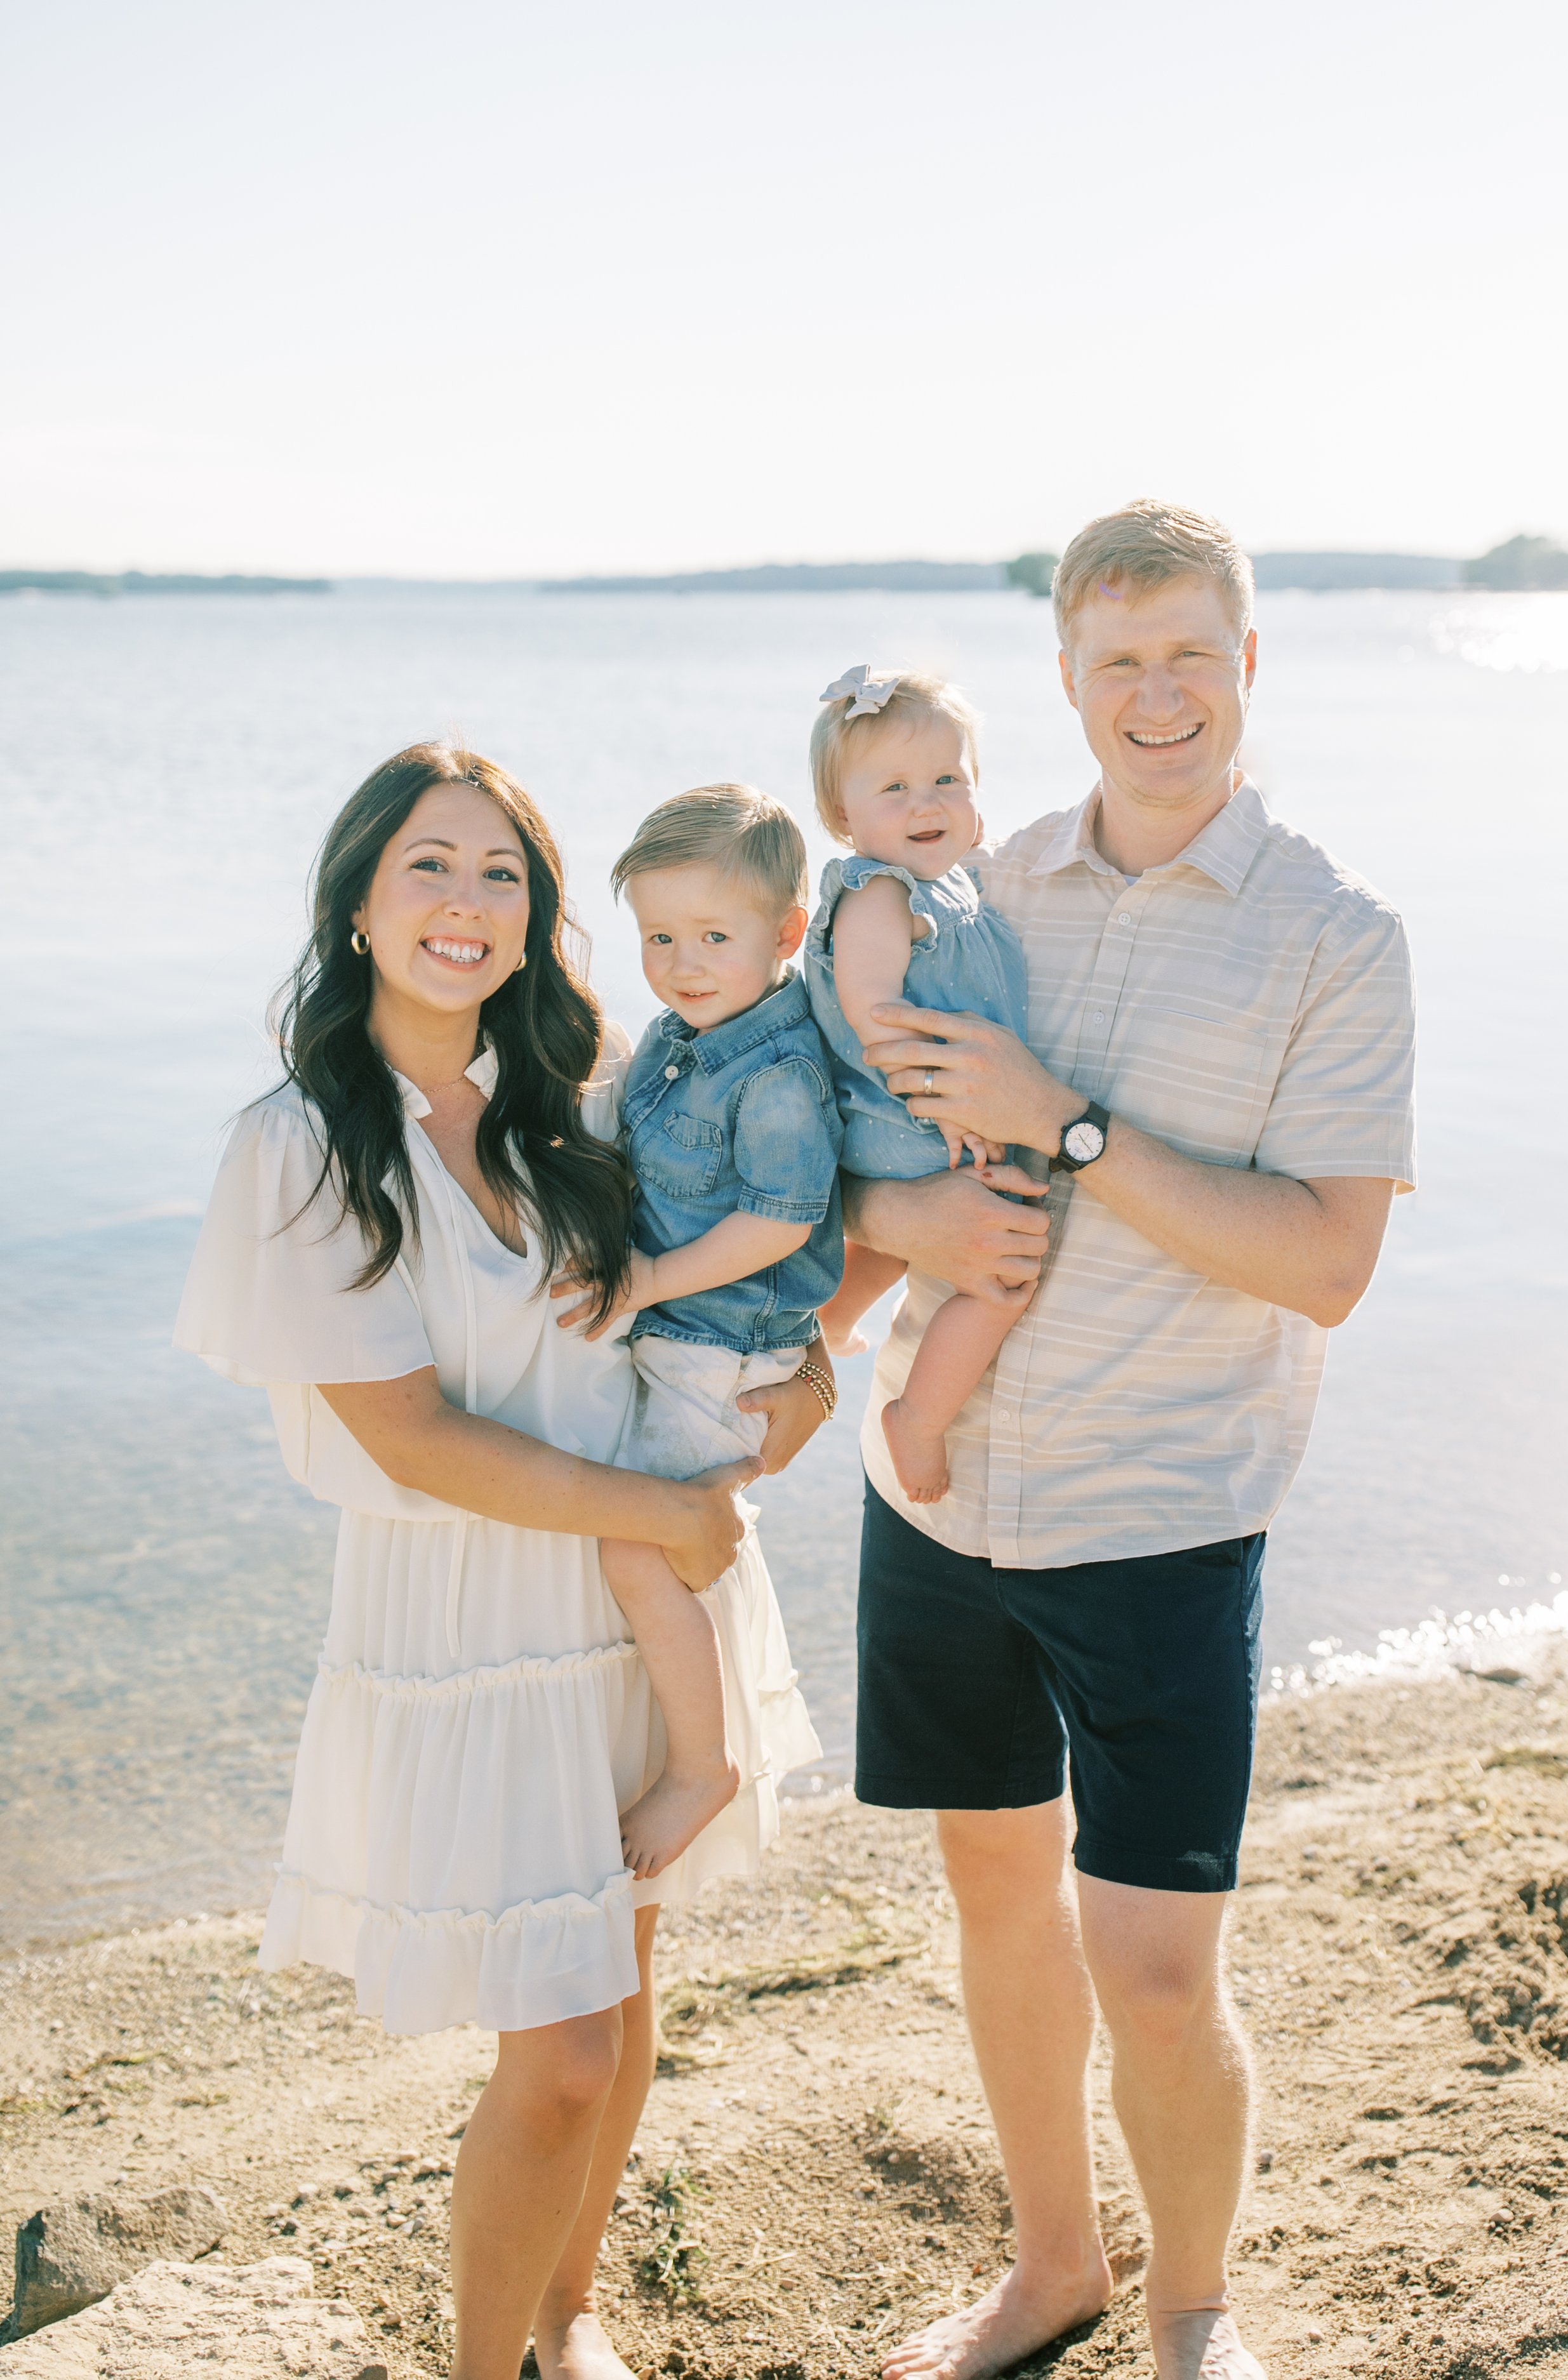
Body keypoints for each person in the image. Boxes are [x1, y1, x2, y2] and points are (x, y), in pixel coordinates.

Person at [840, 502, 1417, 2380]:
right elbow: (869, 1164)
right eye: (1115, 660)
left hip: (1159, 1516)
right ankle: (1051, 2263)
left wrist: (1069, 1124)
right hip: (935, 1500)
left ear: (1245, 664)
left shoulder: (1335, 935)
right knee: (1000, 1918)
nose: (1153, 693)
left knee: (1158, 1974)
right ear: (1068, 680)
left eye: (1188, 653)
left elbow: (1326, 1261)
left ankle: (1190, 2314)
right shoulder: (971, 880)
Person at [175, 743, 830, 2380]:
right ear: (356, 901)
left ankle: (569, 2313)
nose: (466, 904)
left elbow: (756, 1263)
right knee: (556, 2054)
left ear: (539, 915)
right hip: (480, 1614)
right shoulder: (309, 1142)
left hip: (645, 1591)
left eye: (501, 874)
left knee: (621, 2006)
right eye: (428, 866)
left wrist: (807, 1385)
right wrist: (659, 1516)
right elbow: (413, 1441)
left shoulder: (587, 1089)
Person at [553, 783, 842, 1879]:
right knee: (645, 1544)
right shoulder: (686, 1038)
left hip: (726, 1346)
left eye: (714, 937)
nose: (682, 962)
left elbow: (783, 1217)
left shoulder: (774, 1074)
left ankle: (701, 1765)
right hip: (690, 1340)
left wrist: (647, 1279)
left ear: (787, 934)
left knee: (640, 1535)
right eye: (659, 937)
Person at [803, 664, 1032, 1504]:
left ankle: (831, 1315)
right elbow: (877, 1016)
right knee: (1004, 1268)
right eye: (894, 788)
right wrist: (953, 1106)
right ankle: (920, 1419)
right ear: (842, 817)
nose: (926, 804)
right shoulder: (879, 895)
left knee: (900, 1240)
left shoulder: (947, 881)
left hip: (918, 1115)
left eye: (948, 781)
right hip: (915, 1115)